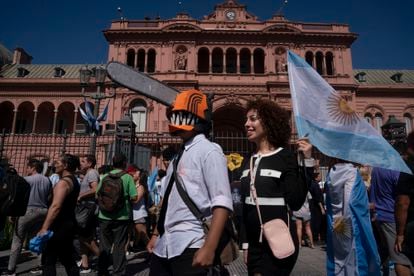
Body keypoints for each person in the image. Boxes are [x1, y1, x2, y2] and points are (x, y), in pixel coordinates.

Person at [147, 89, 233, 276]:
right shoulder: (177, 157)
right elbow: (168, 202)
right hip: (165, 244)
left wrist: (209, 247)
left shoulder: (209, 151)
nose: (175, 120)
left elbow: (222, 202)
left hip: (192, 242)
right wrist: (156, 234)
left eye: (180, 115)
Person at [240, 98, 314, 275]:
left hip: (278, 241)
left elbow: (296, 201)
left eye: (253, 119)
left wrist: (308, 162)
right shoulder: (247, 160)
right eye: (246, 119)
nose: (246, 124)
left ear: (268, 121)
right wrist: (245, 244)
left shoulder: (285, 157)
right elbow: (244, 207)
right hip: (254, 245)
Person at [325, 160, 380, 275]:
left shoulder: (331, 173)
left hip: (337, 221)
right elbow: (352, 203)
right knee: (355, 259)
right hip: (351, 223)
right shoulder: (352, 172)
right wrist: (366, 205)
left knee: (339, 258)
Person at [2, 159, 52, 276]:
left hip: (28, 210)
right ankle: (40, 265)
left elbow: (19, 198)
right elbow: (50, 196)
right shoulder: (47, 180)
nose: (27, 169)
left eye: (28, 167)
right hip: (43, 210)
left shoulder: (26, 180)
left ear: (33, 168)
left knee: (17, 240)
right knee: (37, 238)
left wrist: (13, 214)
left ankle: (11, 269)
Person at [37, 154, 81, 276]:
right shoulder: (74, 180)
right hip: (68, 223)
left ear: (65, 165)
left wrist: (44, 227)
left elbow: (56, 206)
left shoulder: (63, 183)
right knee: (67, 258)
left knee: (48, 260)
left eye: (57, 162)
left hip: (59, 225)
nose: (54, 165)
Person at [96, 153, 138, 276]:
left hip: (104, 216)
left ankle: (102, 270)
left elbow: (97, 194)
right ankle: (118, 271)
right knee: (119, 245)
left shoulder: (105, 177)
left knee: (104, 245)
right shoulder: (128, 177)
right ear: (124, 163)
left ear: (113, 164)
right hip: (122, 217)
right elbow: (134, 197)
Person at [369, 166, 413, 275]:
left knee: (383, 254)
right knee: (401, 258)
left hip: (378, 215)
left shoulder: (377, 168)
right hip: (391, 218)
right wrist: (400, 233)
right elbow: (402, 203)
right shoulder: (397, 170)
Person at [77, 154, 100, 273]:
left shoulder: (92, 173)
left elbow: (95, 189)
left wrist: (81, 196)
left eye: (83, 161)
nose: (80, 163)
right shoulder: (88, 174)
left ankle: (103, 259)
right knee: (83, 237)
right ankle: (85, 265)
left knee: (85, 237)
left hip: (88, 208)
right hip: (86, 207)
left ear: (90, 163)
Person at [395, 132, 414, 266]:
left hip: (412, 223)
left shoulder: (408, 169)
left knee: (401, 261)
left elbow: (403, 203)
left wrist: (400, 234)